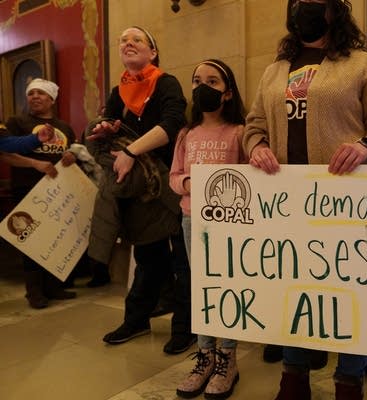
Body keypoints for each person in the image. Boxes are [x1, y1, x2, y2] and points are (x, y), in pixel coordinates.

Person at [243, 1, 367, 399]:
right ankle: (293, 376)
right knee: (295, 288)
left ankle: (350, 381)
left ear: (335, 11)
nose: (304, 8)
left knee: (351, 293)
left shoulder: (363, 64)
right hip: (289, 202)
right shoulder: (273, 71)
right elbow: (253, 126)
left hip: (345, 200)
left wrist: (366, 146)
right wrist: (257, 147)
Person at [89, 26, 196, 355]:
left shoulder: (165, 83)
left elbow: (172, 124)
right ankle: (136, 320)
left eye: (137, 39)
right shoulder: (117, 90)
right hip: (138, 190)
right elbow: (104, 125)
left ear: (153, 52)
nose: (128, 43)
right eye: (123, 40)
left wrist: (132, 151)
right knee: (148, 258)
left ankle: (186, 327)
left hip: (171, 181)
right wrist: (103, 129)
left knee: (183, 260)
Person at [170, 58, 246, 400]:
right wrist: (190, 182)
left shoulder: (239, 132)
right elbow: (173, 176)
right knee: (201, 286)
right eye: (197, 80)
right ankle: (204, 355)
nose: (203, 87)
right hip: (191, 219)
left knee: (225, 285)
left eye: (212, 82)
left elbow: (249, 178)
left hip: (229, 221)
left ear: (227, 93)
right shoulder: (186, 133)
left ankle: (226, 358)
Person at [2, 78, 78, 309]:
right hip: (26, 189)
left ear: (52, 99)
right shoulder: (17, 122)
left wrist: (72, 156)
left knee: (55, 238)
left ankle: (54, 287)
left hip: (57, 193)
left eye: (40, 93)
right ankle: (33, 291)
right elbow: (5, 153)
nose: (34, 97)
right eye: (31, 93)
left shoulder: (64, 127)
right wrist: (34, 164)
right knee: (31, 240)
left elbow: (74, 152)